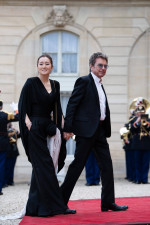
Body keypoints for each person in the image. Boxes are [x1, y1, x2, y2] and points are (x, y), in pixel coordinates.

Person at [61, 52, 128, 212]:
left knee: (107, 166)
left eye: (105, 66)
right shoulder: (83, 81)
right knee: (77, 166)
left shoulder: (100, 84)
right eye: (100, 65)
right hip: (85, 131)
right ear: (91, 66)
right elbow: (72, 105)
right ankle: (60, 202)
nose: (103, 68)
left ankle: (108, 202)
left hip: (99, 131)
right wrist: (68, 128)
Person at [18, 53, 76, 217]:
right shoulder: (31, 83)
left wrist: (65, 129)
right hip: (35, 128)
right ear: (37, 66)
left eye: (47, 63)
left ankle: (36, 207)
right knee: (45, 166)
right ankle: (54, 207)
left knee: (46, 167)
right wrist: (28, 124)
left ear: (52, 67)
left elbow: (58, 109)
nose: (44, 66)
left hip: (50, 128)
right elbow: (23, 106)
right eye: (41, 63)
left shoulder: (56, 85)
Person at [0, 100, 18, 195]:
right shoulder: (4, 115)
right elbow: (18, 117)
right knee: (2, 165)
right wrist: (16, 109)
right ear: (1, 107)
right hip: (2, 142)